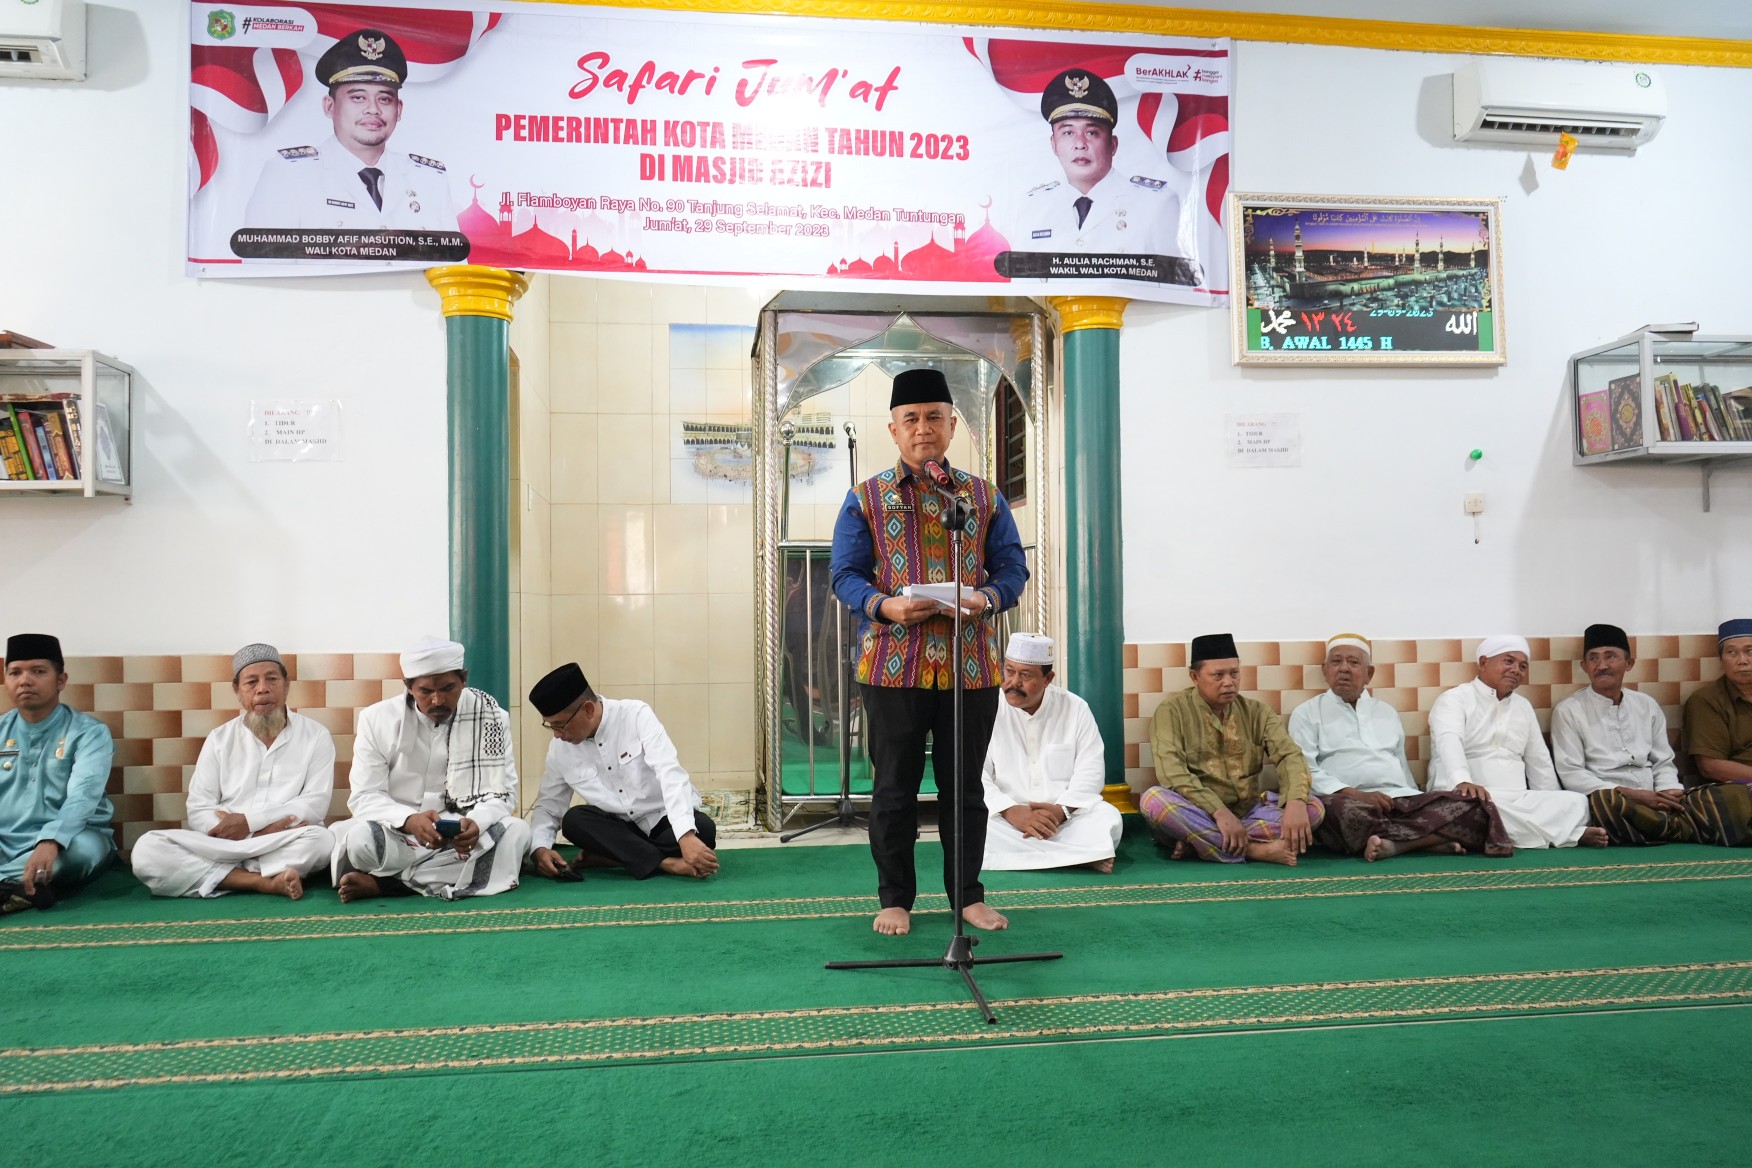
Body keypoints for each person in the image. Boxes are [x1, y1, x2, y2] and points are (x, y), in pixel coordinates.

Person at [830, 367, 1028, 936]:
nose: (923, 429)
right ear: (893, 429)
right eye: (911, 419)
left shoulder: (983, 496)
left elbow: (1013, 567)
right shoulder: (865, 498)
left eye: (934, 418)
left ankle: (966, 896)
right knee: (893, 788)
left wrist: (988, 598)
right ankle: (895, 897)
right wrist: (884, 607)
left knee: (964, 789)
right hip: (894, 667)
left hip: (970, 667)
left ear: (953, 425)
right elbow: (844, 574)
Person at [330, 635, 530, 902]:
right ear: (409, 687)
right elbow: (365, 796)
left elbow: (504, 794)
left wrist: (477, 823)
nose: (437, 700)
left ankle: (387, 885)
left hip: (462, 836)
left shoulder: (491, 718)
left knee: (517, 832)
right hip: (400, 836)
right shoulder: (376, 720)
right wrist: (409, 821)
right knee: (360, 841)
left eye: (448, 688)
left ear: (464, 679)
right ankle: (442, 876)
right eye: (426, 691)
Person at [131, 644, 336, 899]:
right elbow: (198, 808)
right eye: (252, 682)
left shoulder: (316, 736)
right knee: (147, 848)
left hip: (279, 840)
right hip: (225, 843)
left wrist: (251, 824)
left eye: (272, 679)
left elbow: (314, 804)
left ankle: (222, 875)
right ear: (238, 691)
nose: (263, 688)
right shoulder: (220, 739)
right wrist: (248, 833)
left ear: (286, 684)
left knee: (322, 841)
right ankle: (263, 881)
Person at [1290, 633, 1510, 861]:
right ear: (1325, 670)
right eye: (1336, 662)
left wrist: (1417, 803)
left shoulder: (1387, 712)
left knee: (1476, 808)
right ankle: (1427, 840)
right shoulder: (1306, 713)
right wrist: (1357, 795)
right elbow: (1304, 770)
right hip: (1347, 800)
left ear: (1369, 674)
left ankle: (1396, 845)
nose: (1344, 668)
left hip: (1397, 798)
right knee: (1340, 814)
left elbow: (1401, 766)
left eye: (1354, 663)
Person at [1140, 632, 1323, 866]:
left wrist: (1296, 802)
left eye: (1234, 673)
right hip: (1199, 812)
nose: (1229, 682)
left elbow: (1289, 755)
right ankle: (1253, 850)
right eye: (1218, 675)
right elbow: (1172, 772)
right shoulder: (1172, 712)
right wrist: (1219, 812)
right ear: (1194, 677)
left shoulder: (1257, 712)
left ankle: (1201, 844)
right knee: (1153, 800)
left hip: (1248, 813)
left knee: (1313, 808)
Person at [524, 663, 719, 881]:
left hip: (660, 819)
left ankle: (617, 857)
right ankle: (666, 863)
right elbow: (549, 805)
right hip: (616, 827)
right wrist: (539, 848)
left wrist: (685, 836)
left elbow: (669, 772)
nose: (557, 735)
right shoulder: (559, 749)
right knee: (574, 821)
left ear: (588, 709)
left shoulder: (636, 715)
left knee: (703, 829)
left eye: (560, 725)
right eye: (550, 726)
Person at [244, 29, 454, 231]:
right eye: (358, 97)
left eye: (385, 99)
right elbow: (265, 265)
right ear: (329, 106)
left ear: (398, 110)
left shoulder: (429, 179)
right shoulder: (289, 174)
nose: (373, 109)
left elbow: (452, 266)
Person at [1427, 635, 1605, 849]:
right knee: (1470, 809)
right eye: (1508, 661)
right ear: (1483, 662)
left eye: (1522, 666)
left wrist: (1552, 798)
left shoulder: (1523, 707)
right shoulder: (1454, 698)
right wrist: (1462, 781)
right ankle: (1569, 834)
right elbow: (1449, 741)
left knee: (1577, 803)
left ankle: (1491, 834)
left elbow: (1539, 761)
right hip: (1465, 794)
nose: (1516, 670)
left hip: (1517, 798)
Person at [980, 633, 1123, 873]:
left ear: (1048, 678)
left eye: (1025, 675)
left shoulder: (1075, 708)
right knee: (972, 825)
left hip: (1064, 818)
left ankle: (1027, 856)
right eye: (1009, 671)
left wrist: (1061, 811)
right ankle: (1082, 856)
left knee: (1107, 819)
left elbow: (1091, 770)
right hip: (1006, 816)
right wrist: (1011, 811)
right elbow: (976, 773)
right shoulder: (987, 708)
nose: (1013, 683)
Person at [1551, 623, 1695, 847]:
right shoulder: (1568, 710)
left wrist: (1668, 792)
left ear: (1629, 663)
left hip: (1655, 795)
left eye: (1611, 657)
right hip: (1609, 799)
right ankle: (1676, 827)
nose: (1602, 666)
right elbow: (1571, 773)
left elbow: (1663, 761)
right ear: (1585, 666)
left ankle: (1663, 823)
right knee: (1606, 805)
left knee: (1722, 797)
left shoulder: (1646, 705)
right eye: (1594, 659)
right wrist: (1629, 794)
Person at [0, 633, 115, 914]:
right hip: (6, 840)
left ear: (60, 680)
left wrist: (51, 840)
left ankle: (15, 884)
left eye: (38, 671)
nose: (25, 680)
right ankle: (22, 886)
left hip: (72, 839)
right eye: (15, 672)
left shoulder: (89, 733)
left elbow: (83, 795)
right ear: (5, 680)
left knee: (82, 853)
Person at [1017, 69, 1171, 255]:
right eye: (1068, 132)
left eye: (1092, 132)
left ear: (1113, 145)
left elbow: (1176, 281)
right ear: (1054, 145)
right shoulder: (1034, 207)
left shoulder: (1156, 204)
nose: (1080, 144)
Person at [1679, 618, 1752, 846]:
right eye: (1732, 653)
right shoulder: (1706, 700)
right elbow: (1710, 766)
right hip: (1740, 789)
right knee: (1729, 800)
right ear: (1721, 660)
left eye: (1750, 651)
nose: (1743, 661)